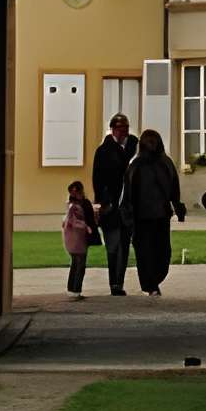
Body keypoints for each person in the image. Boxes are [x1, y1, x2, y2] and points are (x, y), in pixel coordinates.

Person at [123, 125, 187, 294]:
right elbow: (129, 192)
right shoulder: (136, 166)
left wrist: (178, 207)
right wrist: (129, 216)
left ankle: (153, 280)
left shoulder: (165, 164)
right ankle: (150, 284)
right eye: (148, 142)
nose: (151, 145)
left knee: (162, 252)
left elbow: (174, 188)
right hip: (142, 217)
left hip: (160, 215)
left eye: (154, 141)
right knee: (145, 252)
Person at [88, 112, 136, 297]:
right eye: (120, 128)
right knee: (113, 246)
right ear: (113, 129)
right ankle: (114, 283)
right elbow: (98, 180)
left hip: (128, 206)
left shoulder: (134, 146)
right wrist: (103, 202)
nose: (124, 131)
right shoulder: (103, 151)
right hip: (111, 206)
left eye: (125, 128)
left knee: (123, 245)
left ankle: (118, 282)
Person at [58, 180, 97, 297]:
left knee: (76, 262)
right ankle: (76, 290)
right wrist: (86, 227)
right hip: (77, 237)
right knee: (79, 263)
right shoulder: (75, 206)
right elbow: (72, 221)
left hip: (76, 237)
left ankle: (72, 288)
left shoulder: (77, 204)